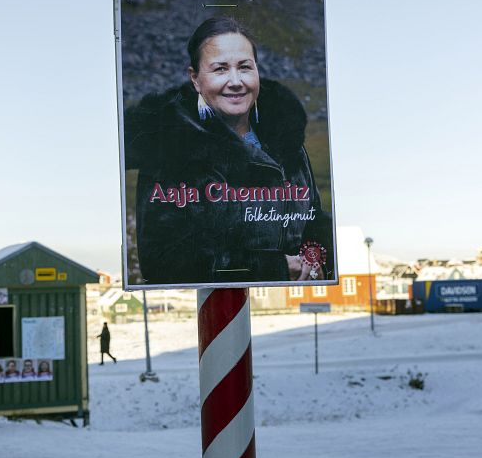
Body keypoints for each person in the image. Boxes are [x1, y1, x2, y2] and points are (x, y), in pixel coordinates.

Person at [124, 16, 333, 285]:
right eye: (220, 69)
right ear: (195, 79)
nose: (236, 81)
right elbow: (163, 261)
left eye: (245, 67)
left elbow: (314, 220)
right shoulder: (171, 148)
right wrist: (272, 268)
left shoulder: (286, 140)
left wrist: (316, 262)